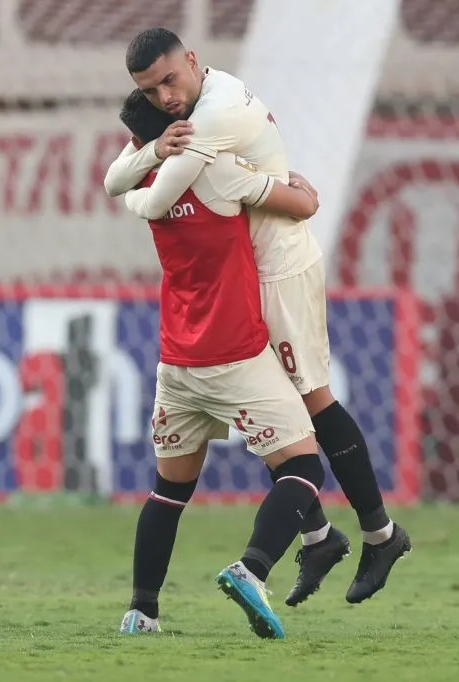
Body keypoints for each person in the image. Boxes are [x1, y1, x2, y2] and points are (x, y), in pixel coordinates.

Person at [106, 27, 410, 607]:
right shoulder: (201, 103)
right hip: (252, 277)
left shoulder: (210, 124)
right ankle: (320, 537)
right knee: (285, 424)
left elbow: (154, 196)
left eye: (170, 80)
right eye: (152, 92)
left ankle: (381, 534)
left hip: (281, 271)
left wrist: (142, 184)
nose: (166, 97)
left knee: (313, 404)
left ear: (192, 62)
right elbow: (128, 171)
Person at [114, 88, 328, 639]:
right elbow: (300, 205)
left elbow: (122, 176)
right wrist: (300, 184)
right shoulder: (219, 170)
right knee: (304, 467)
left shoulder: (144, 178)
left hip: (176, 361)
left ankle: (141, 612)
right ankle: (251, 570)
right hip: (234, 354)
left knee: (169, 490)